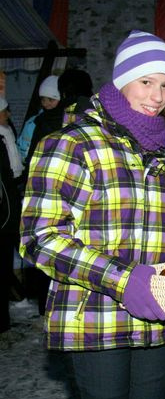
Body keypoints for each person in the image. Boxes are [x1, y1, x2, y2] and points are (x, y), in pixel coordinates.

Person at [20, 30, 165, 399]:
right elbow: (41, 237)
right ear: (121, 79)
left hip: (155, 321)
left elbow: (162, 233)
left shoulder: (162, 150)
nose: (158, 96)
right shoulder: (72, 143)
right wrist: (122, 280)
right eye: (146, 82)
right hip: (94, 320)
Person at [21, 68, 94, 317]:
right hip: (89, 204)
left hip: (54, 200)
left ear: (62, 93)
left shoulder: (48, 121)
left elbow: (34, 164)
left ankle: (49, 310)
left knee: (51, 253)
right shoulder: (101, 119)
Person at [0, 96, 24, 331]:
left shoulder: (7, 133)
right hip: (4, 206)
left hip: (9, 200)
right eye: (4, 111)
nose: (7, 114)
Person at [16, 75, 61, 161]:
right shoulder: (33, 123)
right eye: (43, 99)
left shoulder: (68, 120)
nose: (46, 104)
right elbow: (22, 149)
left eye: (51, 99)